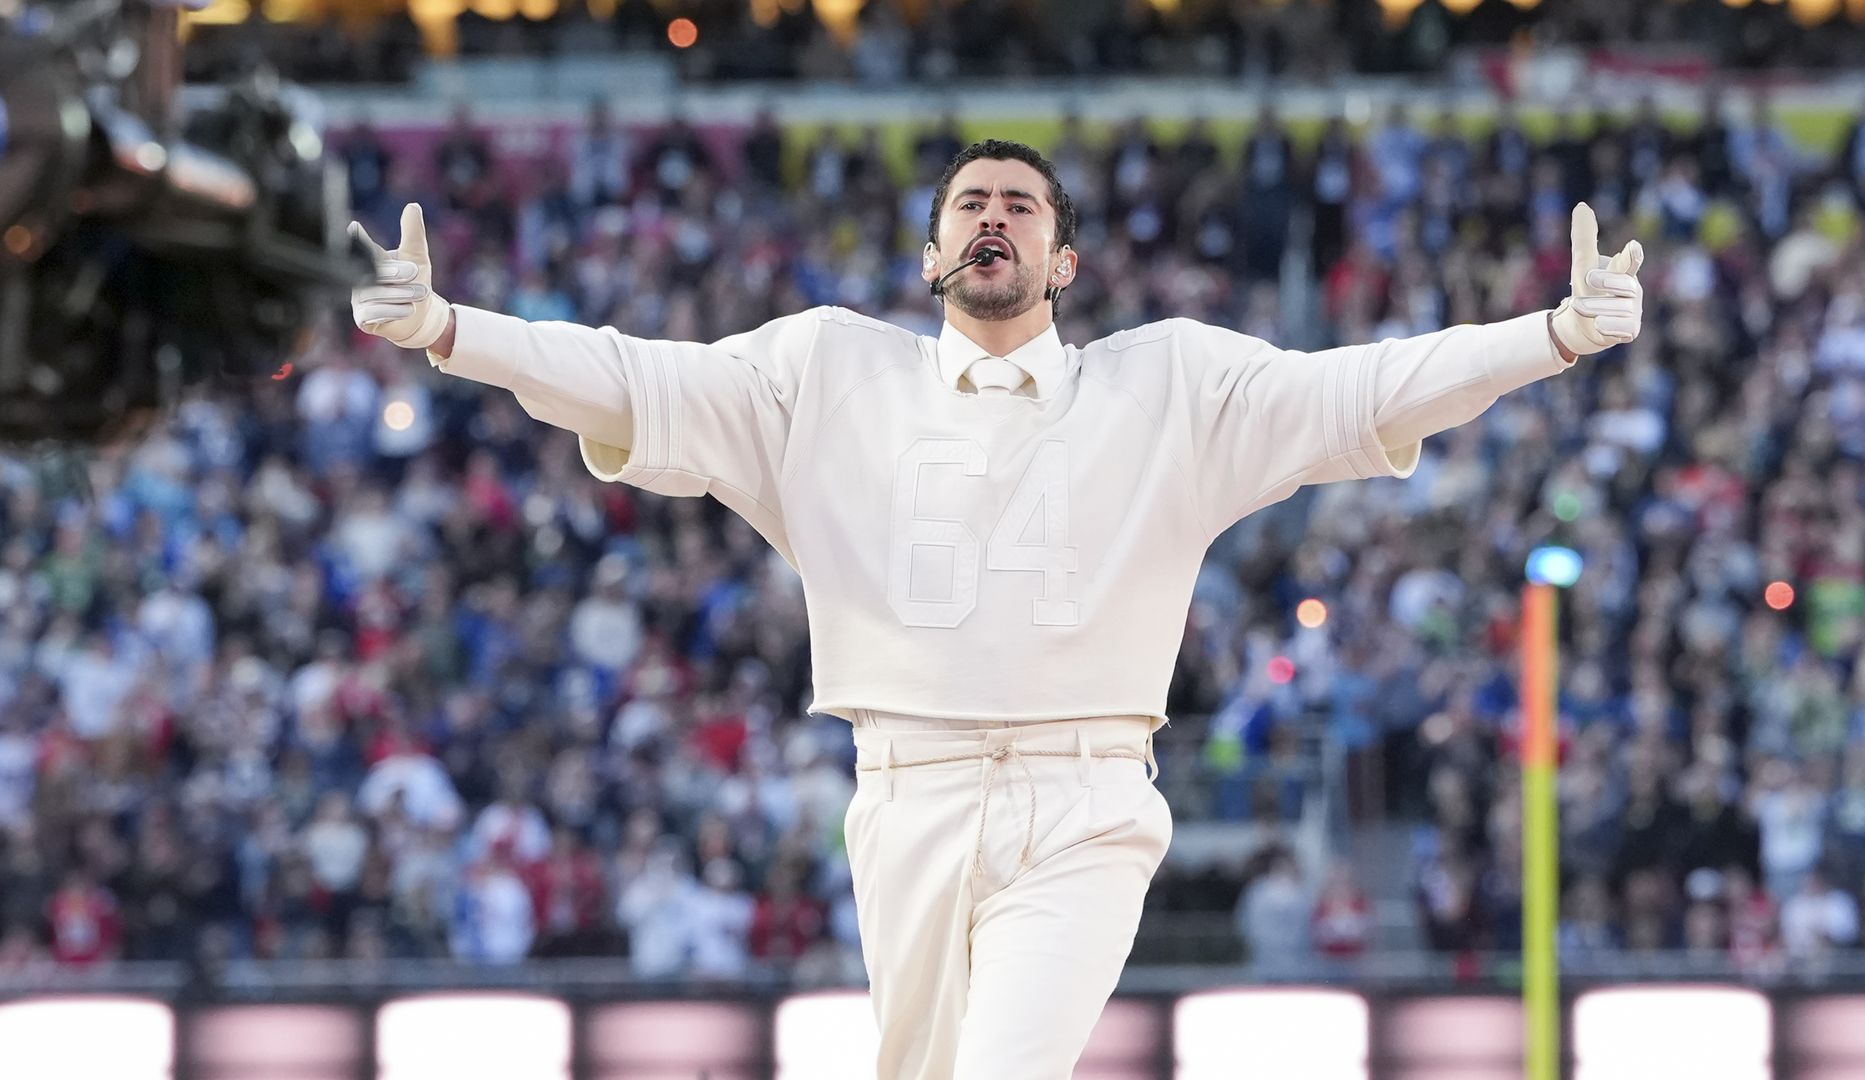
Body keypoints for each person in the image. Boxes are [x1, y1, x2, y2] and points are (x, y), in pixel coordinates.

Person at [351, 137, 1644, 1080]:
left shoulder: (1172, 385)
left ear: (1062, 258)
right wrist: (452, 329)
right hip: (903, 789)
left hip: (1085, 798)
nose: (994, 217)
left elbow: (1371, 387)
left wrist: (1557, 334)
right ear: (931, 252)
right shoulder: (821, 368)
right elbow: (629, 377)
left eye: (1021, 205)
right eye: (970, 201)